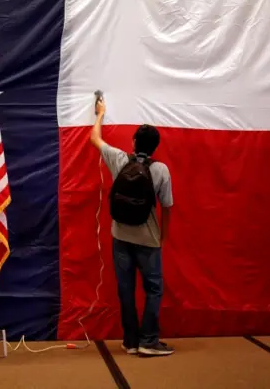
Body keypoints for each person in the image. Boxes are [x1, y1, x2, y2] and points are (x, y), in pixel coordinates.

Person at [89, 97, 174, 357]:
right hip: (148, 240)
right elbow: (167, 206)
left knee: (125, 290)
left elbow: (94, 138)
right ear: (156, 146)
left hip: (120, 237)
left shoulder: (120, 160)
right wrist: (162, 236)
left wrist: (101, 114)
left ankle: (130, 341)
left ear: (134, 142)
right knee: (154, 289)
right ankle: (149, 341)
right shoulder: (161, 170)